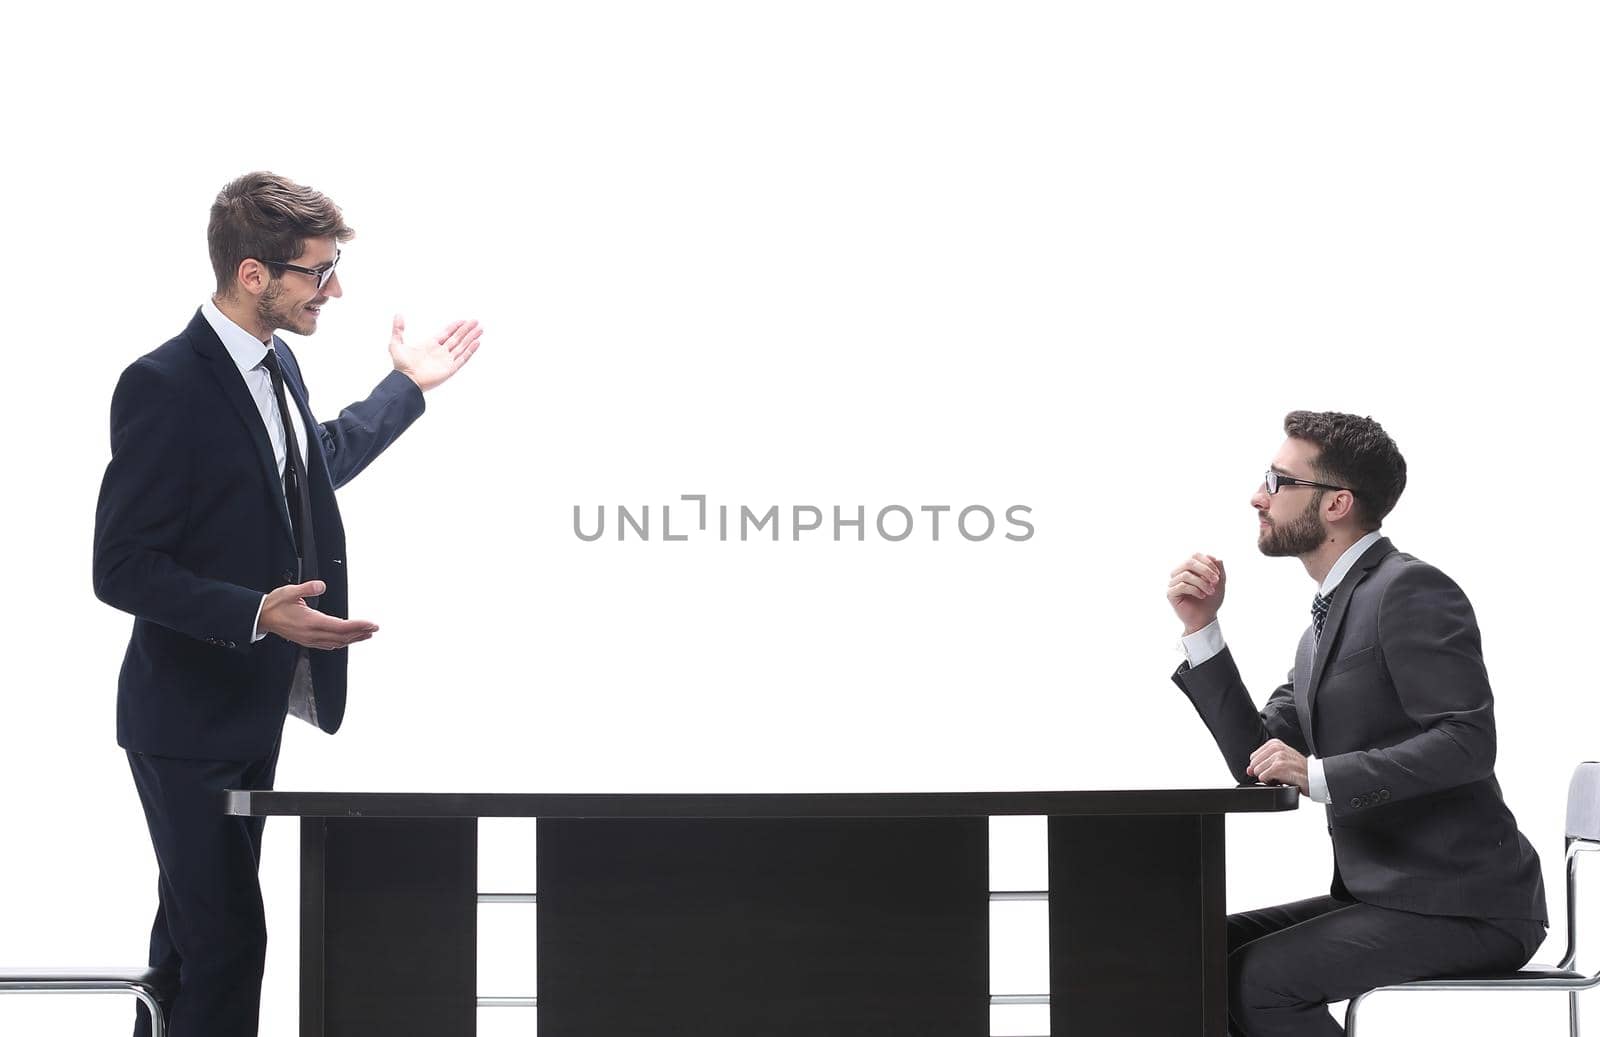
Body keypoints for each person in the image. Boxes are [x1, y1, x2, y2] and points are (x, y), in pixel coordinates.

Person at [92, 171, 482, 1037]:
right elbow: (120, 566)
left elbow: (313, 469)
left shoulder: (278, 368)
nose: (334, 288)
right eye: (320, 270)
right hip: (182, 719)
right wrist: (254, 611)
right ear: (254, 274)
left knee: (193, 942)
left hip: (247, 708)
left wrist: (406, 388)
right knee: (227, 942)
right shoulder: (165, 385)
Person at [1166, 410, 1547, 1036]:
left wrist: (1319, 775)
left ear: (1337, 502)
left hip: (1466, 905)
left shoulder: (1409, 590)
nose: (1258, 496)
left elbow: (1467, 742)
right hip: (1387, 896)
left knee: (1259, 982)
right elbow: (1256, 758)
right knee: (1193, 953)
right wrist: (1201, 629)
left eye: (1279, 480)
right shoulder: (1327, 618)